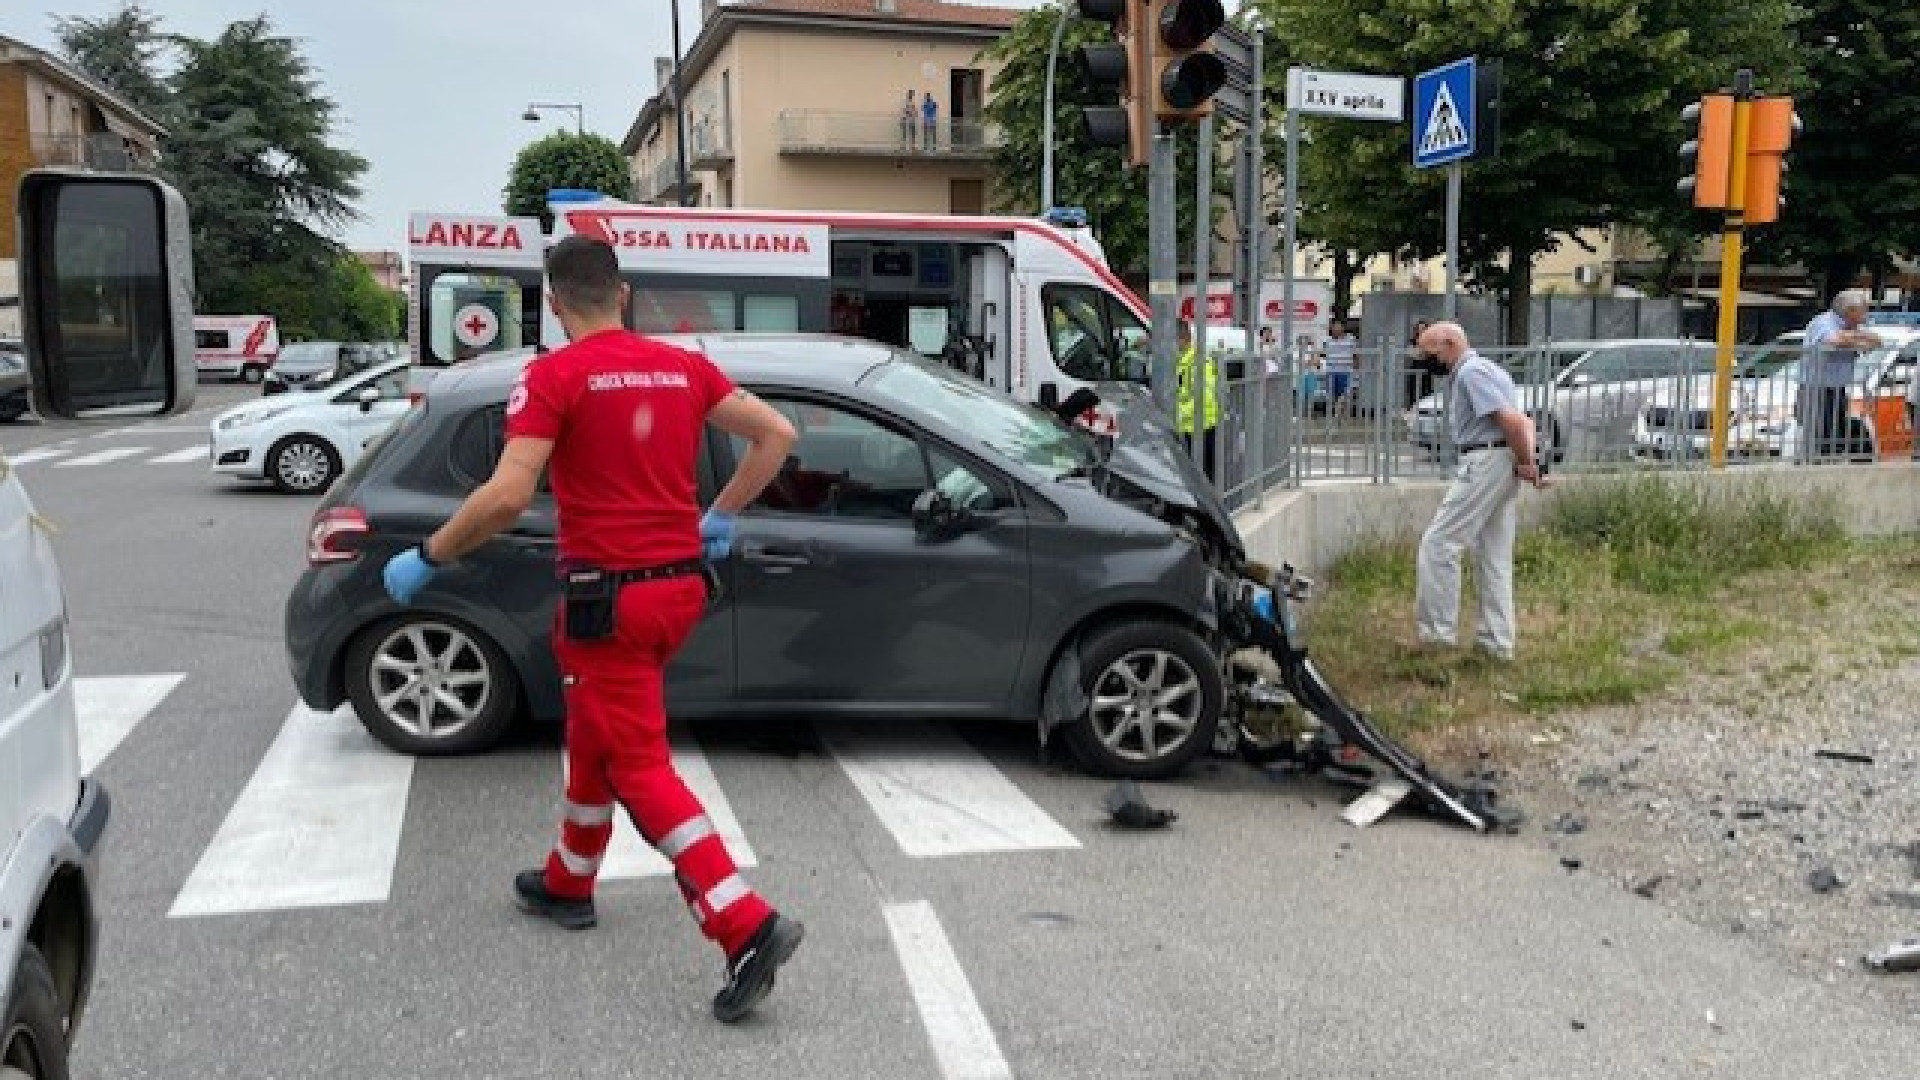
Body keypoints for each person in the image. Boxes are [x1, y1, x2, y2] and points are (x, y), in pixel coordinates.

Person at [379, 234, 804, 1024]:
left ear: (553, 303)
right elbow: (777, 434)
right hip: (679, 589)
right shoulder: (682, 366)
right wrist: (719, 514)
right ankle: (569, 880)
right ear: (624, 294)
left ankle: (744, 924)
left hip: (610, 603)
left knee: (639, 767)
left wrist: (430, 555)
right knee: (597, 731)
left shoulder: (554, 376)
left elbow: (508, 496)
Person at [1411, 321, 1549, 661]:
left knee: (1439, 544)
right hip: (1501, 459)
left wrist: (1527, 464)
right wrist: (1528, 463)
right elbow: (1524, 423)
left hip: (1484, 460)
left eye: (1428, 352)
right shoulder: (1489, 370)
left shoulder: (1471, 373)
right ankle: (1496, 644)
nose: (1425, 360)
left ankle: (1437, 636)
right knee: (1493, 554)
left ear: (1448, 343)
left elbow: (1513, 423)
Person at [1799, 289, 1882, 461]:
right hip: (1816, 388)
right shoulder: (1824, 322)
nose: (1866, 316)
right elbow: (1834, 341)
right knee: (1823, 432)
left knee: (1840, 429)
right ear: (1850, 311)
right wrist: (1857, 338)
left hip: (1837, 387)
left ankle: (1850, 461)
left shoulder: (1851, 326)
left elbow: (1876, 341)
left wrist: (1854, 336)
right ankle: (1819, 463)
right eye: (1863, 311)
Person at [1174, 319, 1219, 482]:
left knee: (1202, 478)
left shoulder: (1199, 363)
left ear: (1183, 339)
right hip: (1189, 428)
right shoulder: (1183, 360)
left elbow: (1204, 398)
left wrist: (1176, 413)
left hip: (1201, 428)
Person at [1319, 318, 1358, 418]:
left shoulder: (1351, 339)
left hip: (1345, 371)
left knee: (1345, 394)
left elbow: (1356, 355)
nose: (1335, 328)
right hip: (1331, 371)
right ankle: (1334, 415)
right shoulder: (1327, 341)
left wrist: (1356, 367)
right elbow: (1322, 353)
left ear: (1343, 327)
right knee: (1332, 395)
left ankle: (1341, 414)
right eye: (1333, 326)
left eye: (1338, 326)